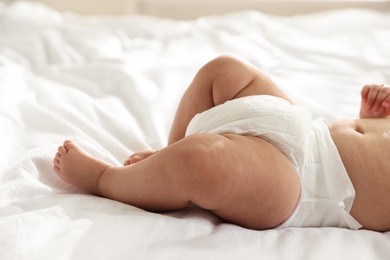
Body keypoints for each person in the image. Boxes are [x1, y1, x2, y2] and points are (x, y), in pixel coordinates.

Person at [53, 55, 390, 232]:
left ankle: (105, 180)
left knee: (200, 162)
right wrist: (371, 114)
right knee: (226, 70)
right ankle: (168, 155)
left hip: (300, 187)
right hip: (301, 129)